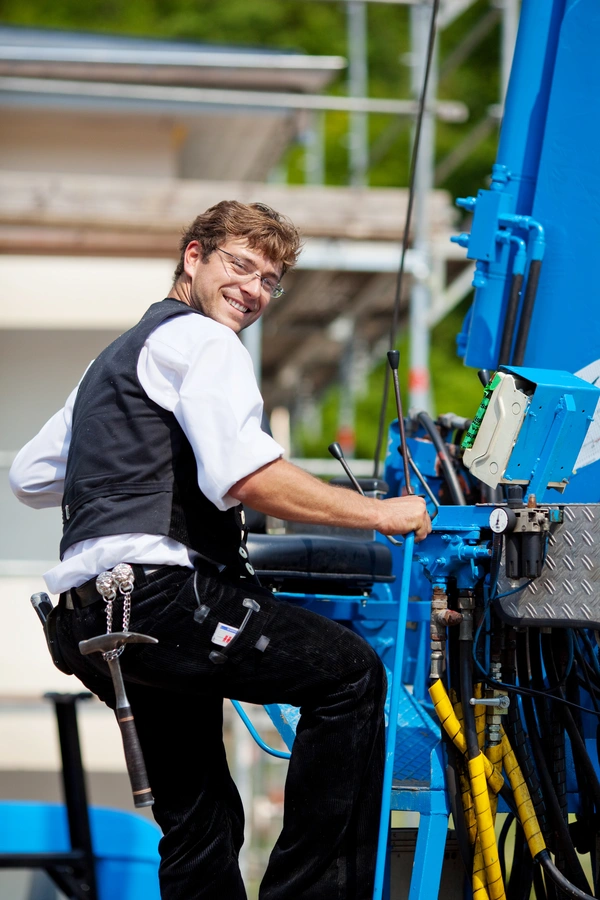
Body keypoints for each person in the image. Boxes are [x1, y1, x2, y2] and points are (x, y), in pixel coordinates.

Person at [10, 200, 432, 900]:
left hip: (84, 620)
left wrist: (139, 465)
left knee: (201, 821)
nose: (254, 290)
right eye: (241, 265)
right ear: (194, 257)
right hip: (161, 598)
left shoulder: (109, 363)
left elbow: (29, 475)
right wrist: (378, 512)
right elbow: (246, 475)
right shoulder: (205, 343)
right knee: (349, 675)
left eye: (271, 280)